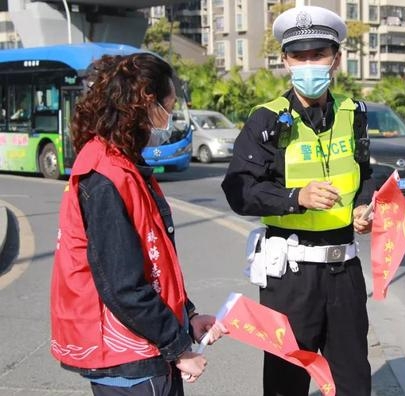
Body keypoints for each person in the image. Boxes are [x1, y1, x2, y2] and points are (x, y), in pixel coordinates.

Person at [221, 5, 377, 396]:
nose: (309, 64)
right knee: (285, 382)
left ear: (336, 58)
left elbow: (365, 173)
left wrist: (363, 205)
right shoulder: (266, 120)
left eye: (318, 55)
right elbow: (238, 189)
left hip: (345, 271)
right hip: (291, 275)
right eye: (299, 56)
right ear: (286, 61)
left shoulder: (352, 113)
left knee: (353, 379)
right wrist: (295, 198)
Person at [50, 53, 226, 396]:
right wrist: (178, 347)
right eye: (168, 107)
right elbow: (123, 285)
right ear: (145, 104)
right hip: (130, 356)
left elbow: (153, 259)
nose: (167, 120)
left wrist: (187, 317)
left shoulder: (121, 162)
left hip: (139, 347)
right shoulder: (106, 176)